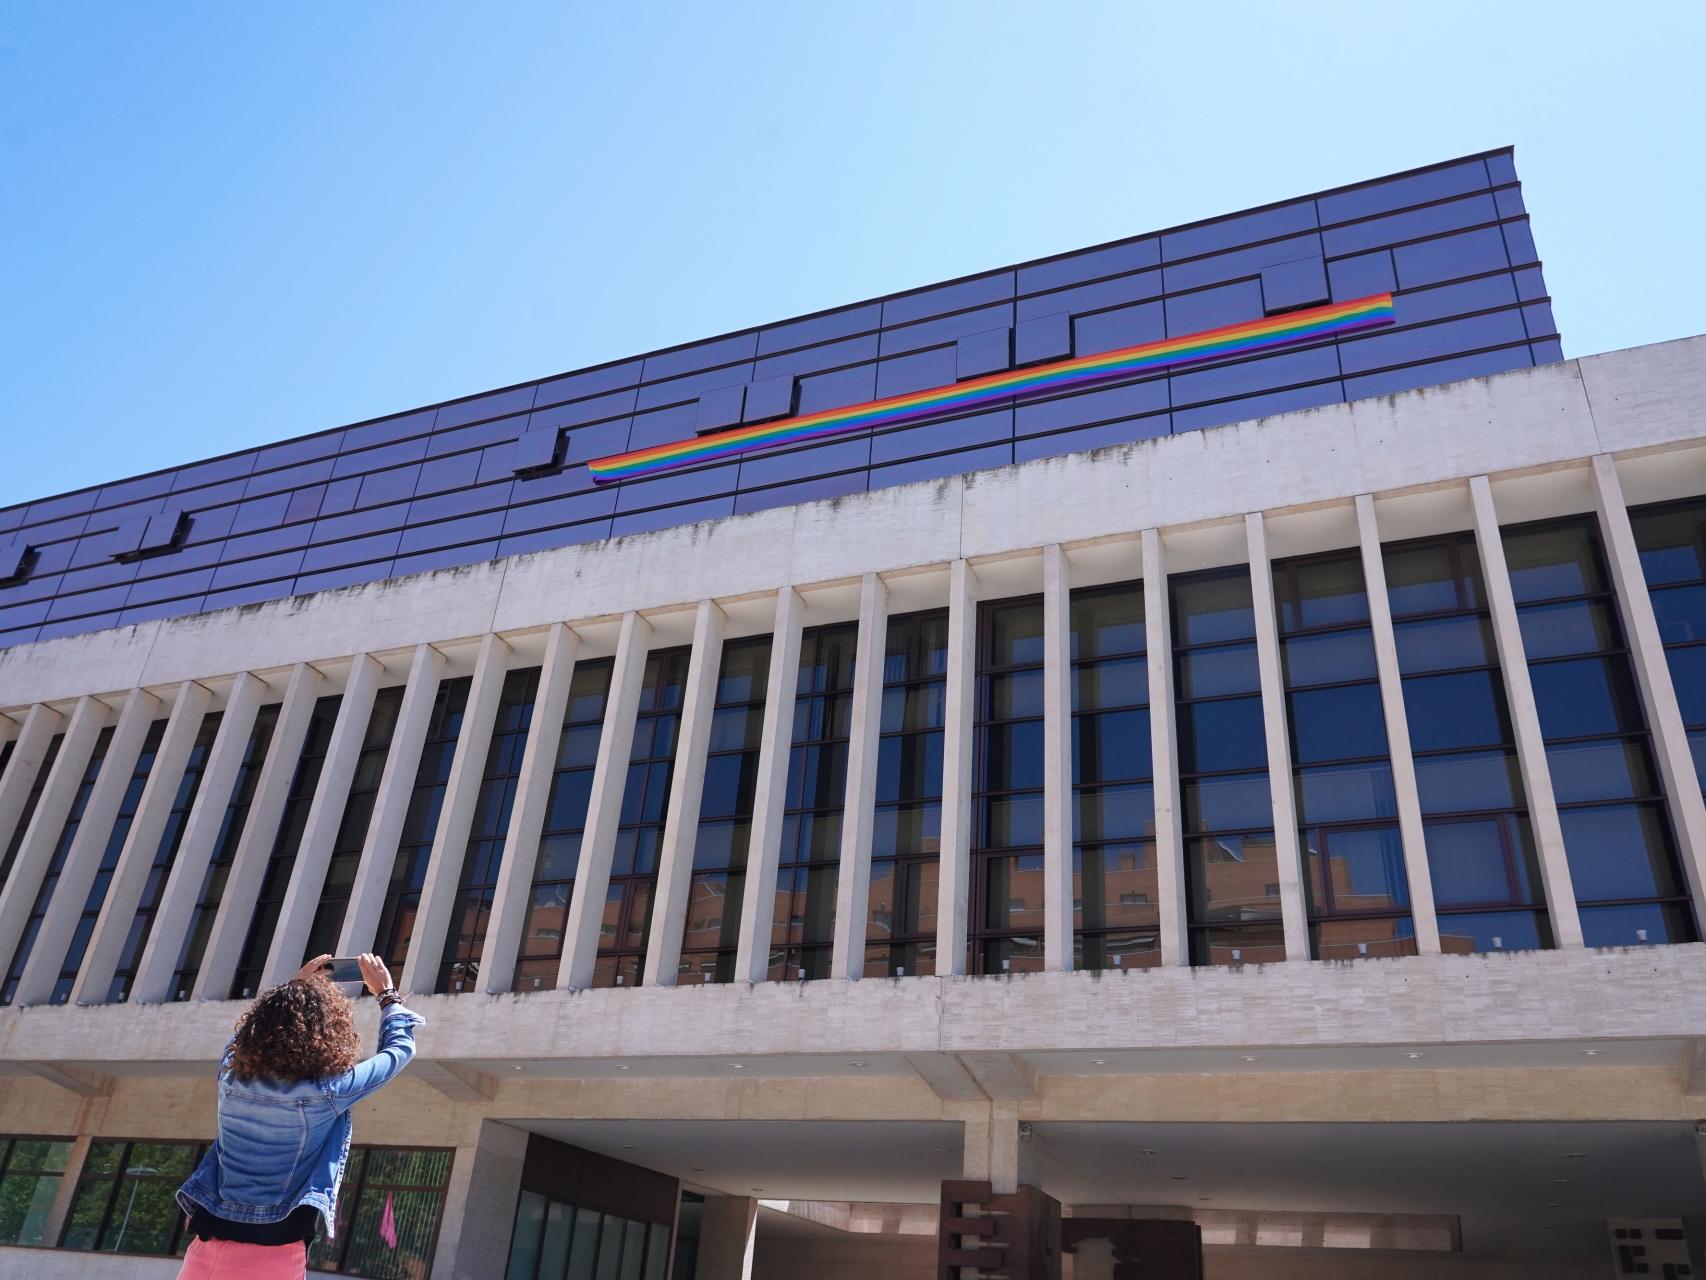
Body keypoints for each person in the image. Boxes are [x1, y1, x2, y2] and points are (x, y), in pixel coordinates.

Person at [175, 952, 424, 1279]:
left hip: (205, 1248)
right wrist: (387, 995)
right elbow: (398, 1052)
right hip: (270, 1254)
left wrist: (295, 988)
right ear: (331, 1036)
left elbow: (242, 1037)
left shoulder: (231, 1077)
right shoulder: (328, 1092)